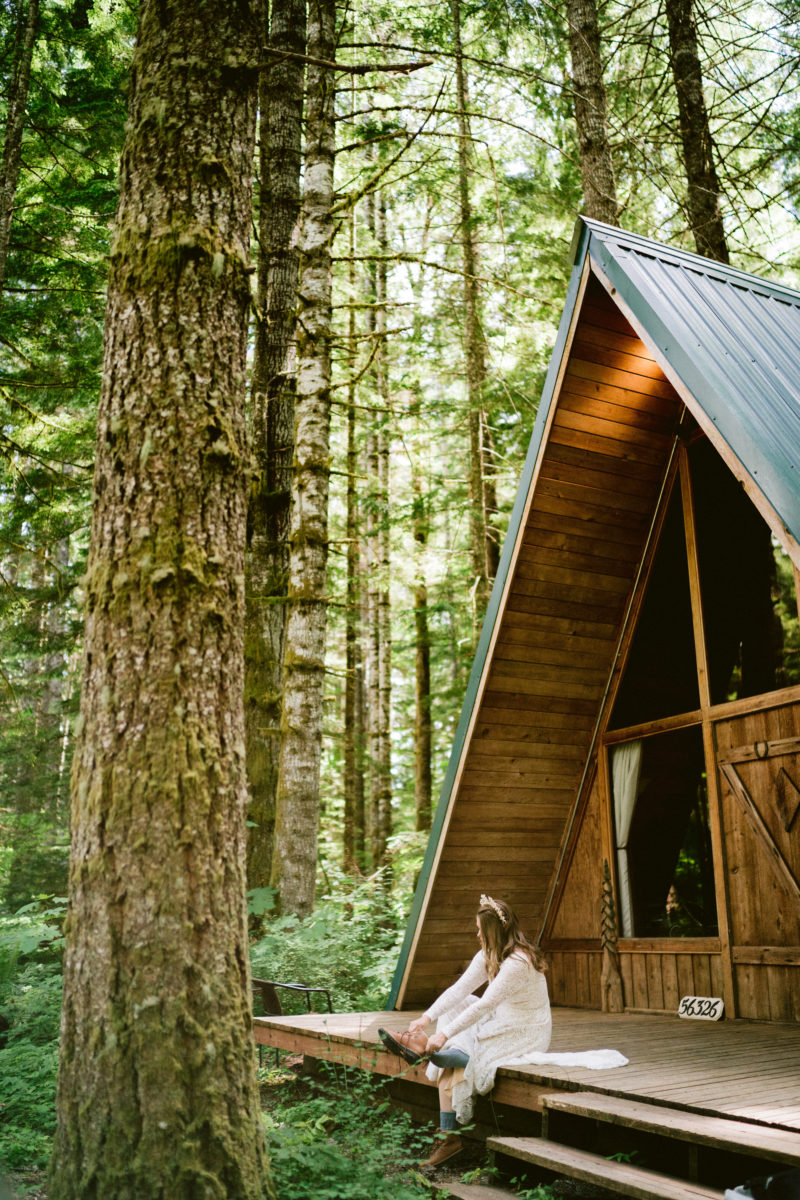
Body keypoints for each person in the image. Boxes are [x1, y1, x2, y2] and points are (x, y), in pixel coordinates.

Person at [380, 893, 628, 1169]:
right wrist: (427, 1018)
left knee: (455, 1060)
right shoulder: (488, 955)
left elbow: (485, 1004)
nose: (477, 935)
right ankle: (445, 1052)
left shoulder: (518, 963)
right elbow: (460, 989)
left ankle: (449, 1129)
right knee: (459, 1005)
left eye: (479, 930)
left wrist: (444, 1034)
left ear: (494, 932)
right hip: (499, 1019)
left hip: (525, 1030)